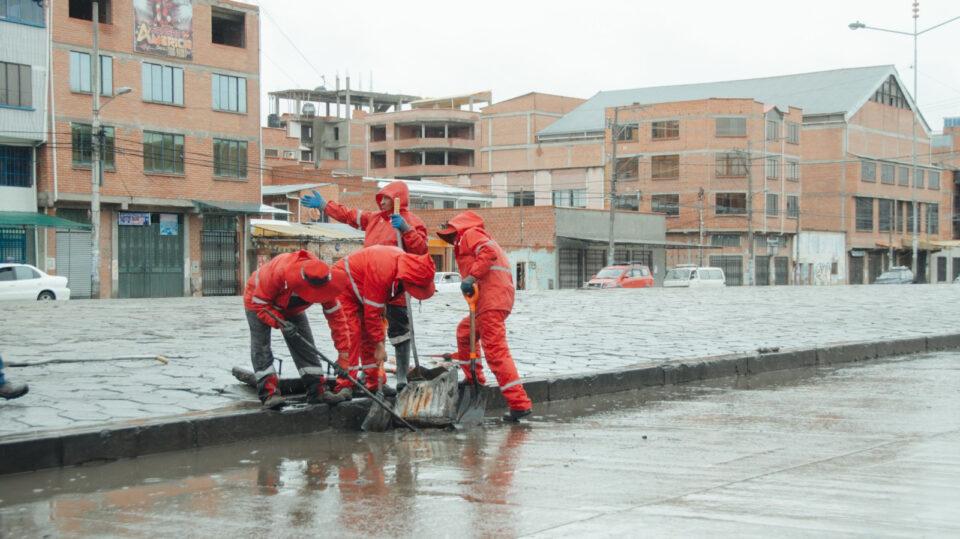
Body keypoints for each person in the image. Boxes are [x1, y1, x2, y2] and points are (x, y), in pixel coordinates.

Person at [301, 181, 427, 391]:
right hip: (369, 283)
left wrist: (406, 230)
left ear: (398, 200)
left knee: (399, 332)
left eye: (387, 198)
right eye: (382, 198)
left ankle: (401, 377)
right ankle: (369, 380)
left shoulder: (412, 221)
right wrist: (325, 206)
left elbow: (421, 250)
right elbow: (349, 215)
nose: (383, 202)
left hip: (396, 286)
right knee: (365, 333)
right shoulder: (374, 219)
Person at [437, 211, 533, 422]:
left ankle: (519, 404)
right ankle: (474, 379)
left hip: (492, 300)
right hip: (490, 301)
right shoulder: (468, 238)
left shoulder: (471, 234)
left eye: (451, 234)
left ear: (458, 228)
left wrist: (471, 277)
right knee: (465, 333)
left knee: (496, 352)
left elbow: (488, 253)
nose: (451, 239)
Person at [324, 245, 436, 404]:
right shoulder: (384, 270)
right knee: (351, 335)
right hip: (345, 288)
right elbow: (371, 315)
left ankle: (375, 383)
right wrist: (379, 345)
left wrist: (377, 339)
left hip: (363, 290)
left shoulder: (401, 267)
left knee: (370, 338)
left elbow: (376, 310)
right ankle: (345, 385)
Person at [243, 249, 351, 409]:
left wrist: (344, 355)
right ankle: (269, 394)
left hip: (292, 308)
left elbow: (338, 320)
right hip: (258, 301)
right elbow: (260, 304)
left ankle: (317, 392)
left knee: (305, 344)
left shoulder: (324, 281)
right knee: (261, 347)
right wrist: (280, 323)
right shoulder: (279, 272)